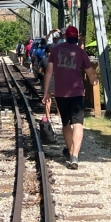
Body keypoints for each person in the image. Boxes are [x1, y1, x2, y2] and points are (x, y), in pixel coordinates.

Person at [42, 25, 98, 169]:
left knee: (66, 124)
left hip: (61, 94)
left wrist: (46, 92)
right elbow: (91, 73)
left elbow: (48, 72)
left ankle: (71, 151)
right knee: (78, 124)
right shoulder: (81, 52)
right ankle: (74, 156)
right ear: (77, 37)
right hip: (77, 93)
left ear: (66, 37)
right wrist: (94, 81)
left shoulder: (55, 50)